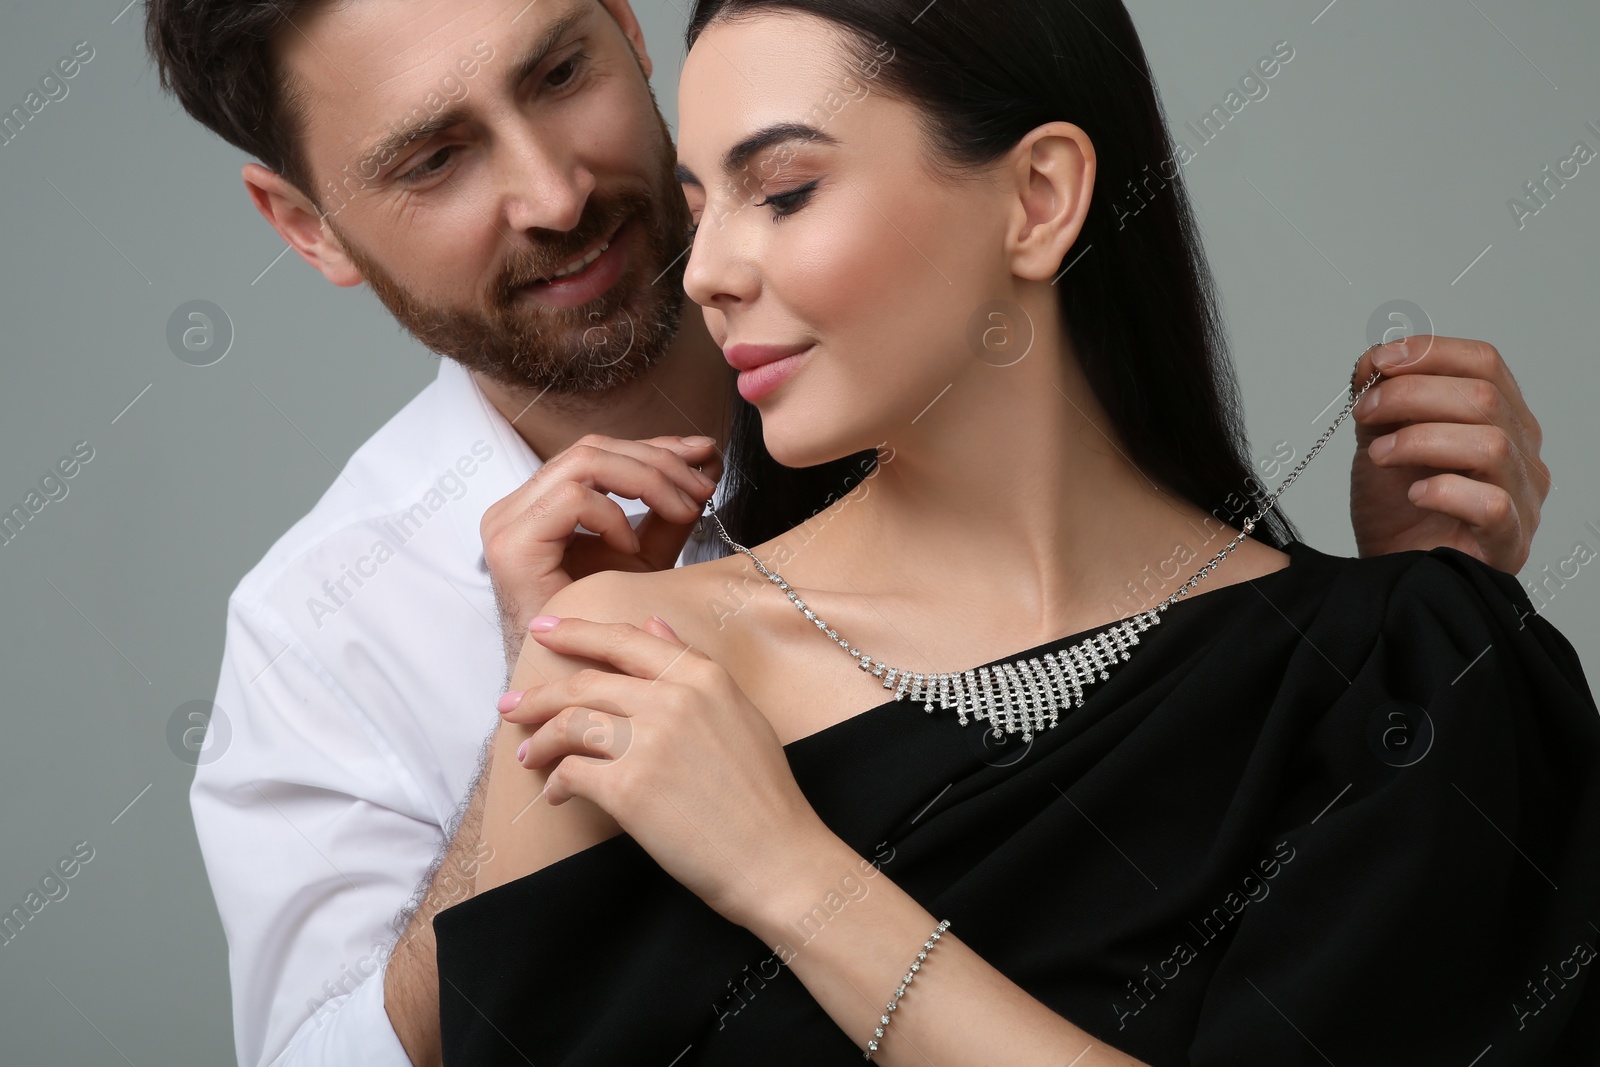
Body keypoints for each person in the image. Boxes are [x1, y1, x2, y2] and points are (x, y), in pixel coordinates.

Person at [139, 0, 1555, 1064]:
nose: (562, 194)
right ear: (306, 226)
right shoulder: (348, 630)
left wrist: (1422, 668)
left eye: (561, 72)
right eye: (436, 157)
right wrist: (544, 723)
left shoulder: (1383, 646)